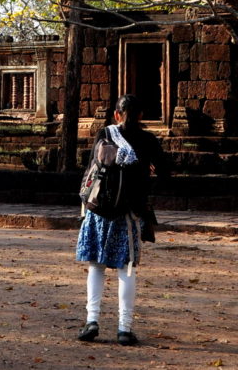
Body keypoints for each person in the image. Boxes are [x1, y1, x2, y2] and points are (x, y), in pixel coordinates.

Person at [75, 94, 168, 346]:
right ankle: (124, 328)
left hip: (98, 212)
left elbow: (91, 169)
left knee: (96, 265)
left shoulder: (104, 134)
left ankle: (91, 320)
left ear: (117, 114)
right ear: (141, 116)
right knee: (126, 268)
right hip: (129, 213)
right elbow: (166, 171)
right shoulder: (148, 140)